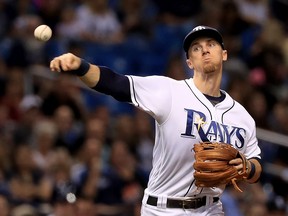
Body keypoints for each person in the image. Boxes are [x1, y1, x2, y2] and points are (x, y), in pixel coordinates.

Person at [50, 25, 262, 215]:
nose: (205, 49)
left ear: (224, 54)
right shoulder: (169, 91)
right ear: (189, 62)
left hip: (211, 209)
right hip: (163, 208)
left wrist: (247, 168)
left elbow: (256, 164)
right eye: (196, 48)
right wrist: (80, 66)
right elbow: (116, 83)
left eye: (211, 44)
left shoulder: (242, 117)